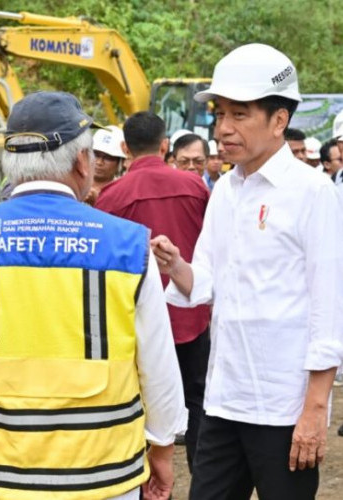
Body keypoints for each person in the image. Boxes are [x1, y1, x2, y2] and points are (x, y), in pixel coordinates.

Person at [0, 91, 186, 500]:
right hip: (101, 475)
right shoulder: (129, 246)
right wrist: (161, 448)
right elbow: (158, 366)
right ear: (81, 162)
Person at [152, 43, 343, 499]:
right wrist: (176, 265)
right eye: (221, 115)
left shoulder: (311, 192)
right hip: (224, 400)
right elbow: (206, 282)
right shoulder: (226, 191)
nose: (224, 129)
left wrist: (315, 409)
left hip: (283, 406)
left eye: (240, 115)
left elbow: (328, 305)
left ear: (279, 121)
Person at [95, 112, 210, 472]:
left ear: (125, 148)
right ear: (165, 146)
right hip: (194, 315)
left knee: (141, 405)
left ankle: (148, 483)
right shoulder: (196, 188)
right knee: (198, 403)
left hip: (137, 322)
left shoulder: (112, 196)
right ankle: (205, 481)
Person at [85, 125, 126, 204]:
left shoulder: (122, 191)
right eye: (96, 155)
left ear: (120, 162)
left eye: (107, 158)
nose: (99, 162)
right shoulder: (75, 183)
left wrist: (97, 202)